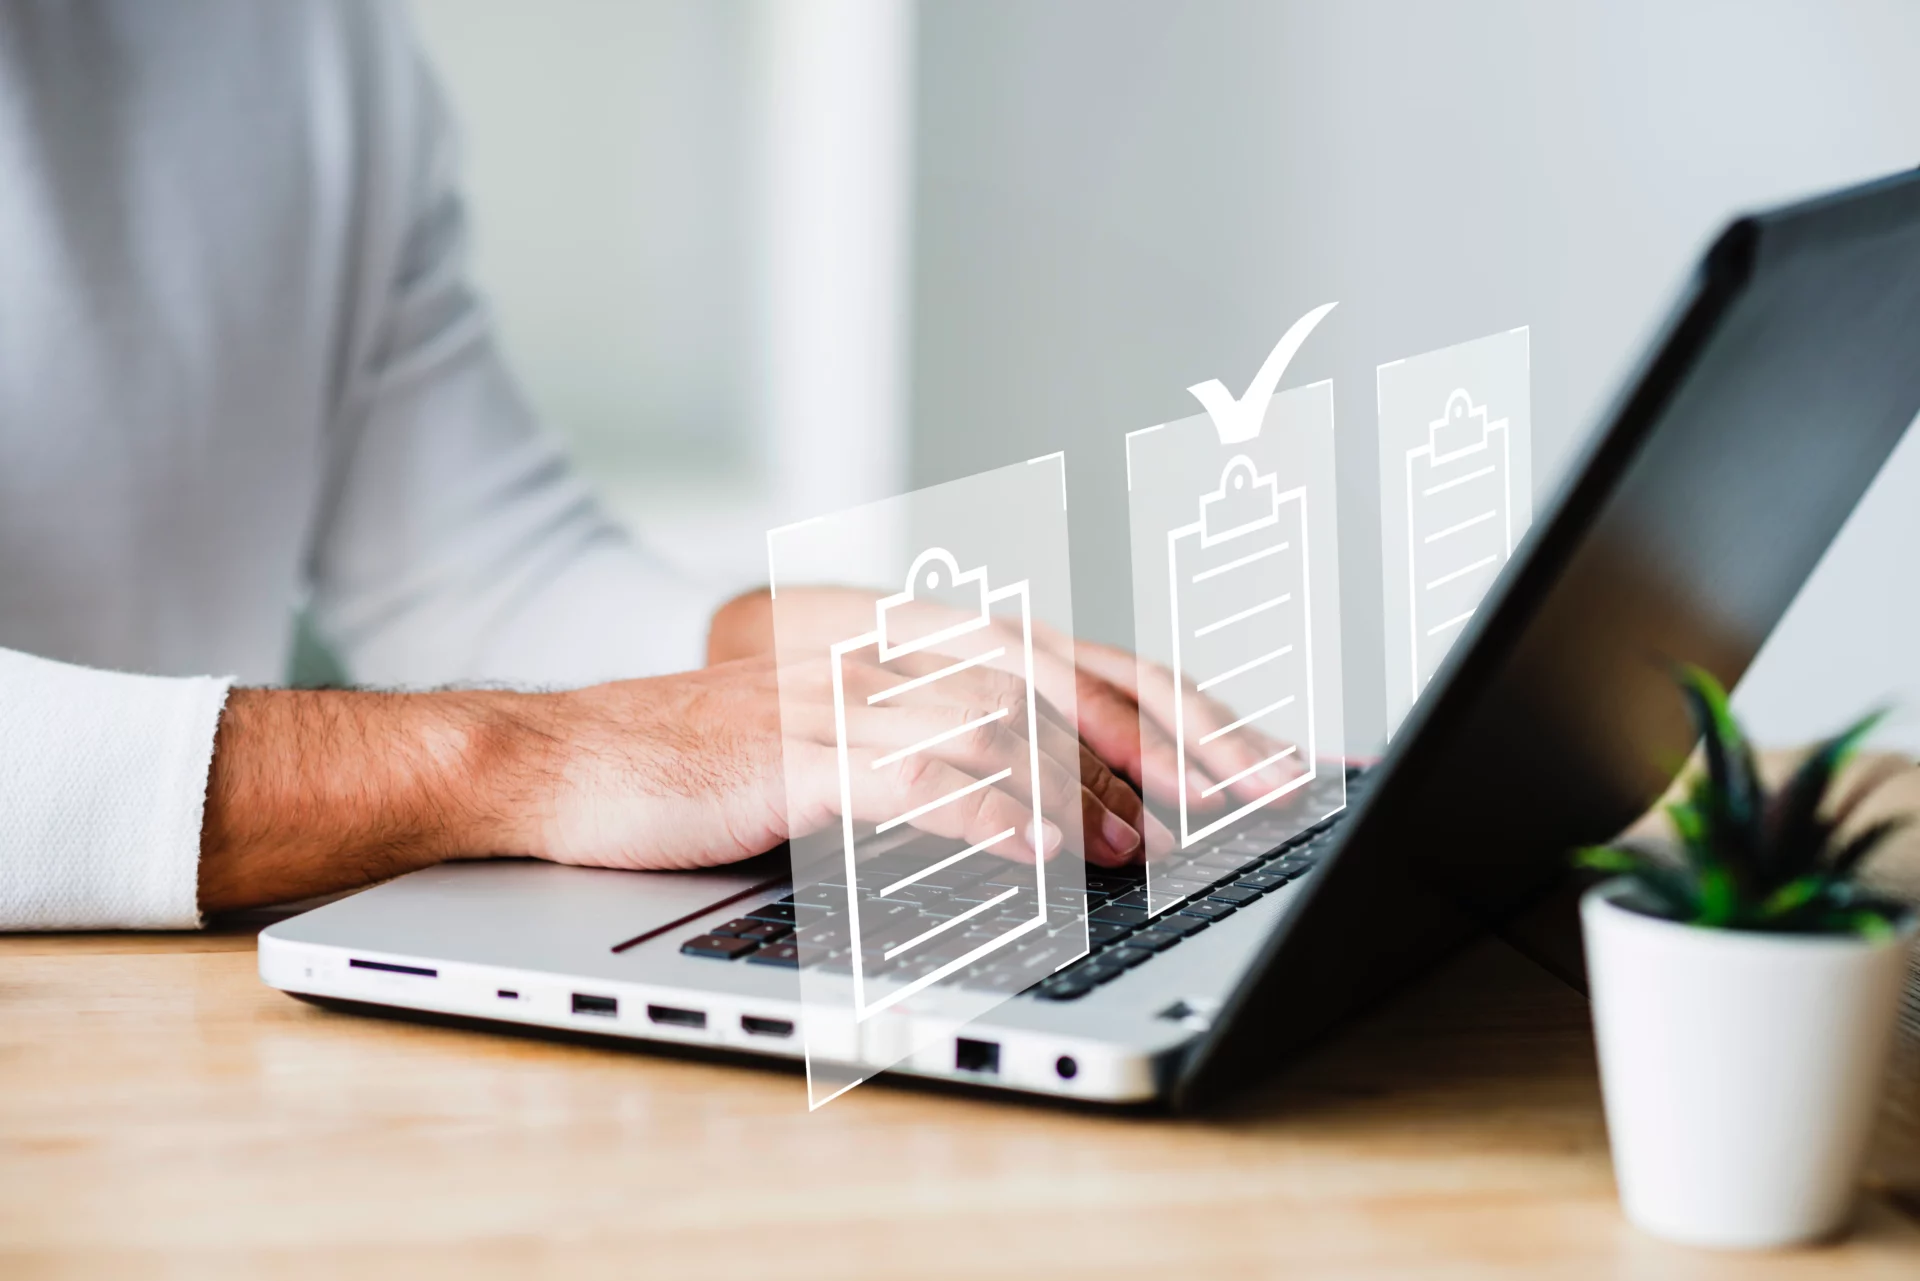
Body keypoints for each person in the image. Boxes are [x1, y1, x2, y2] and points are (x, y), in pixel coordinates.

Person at [0, 1, 1282, 932]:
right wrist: (518, 758)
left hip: (183, 1062)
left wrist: (788, 663)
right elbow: (529, 738)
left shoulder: (301, 38)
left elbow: (472, 570)